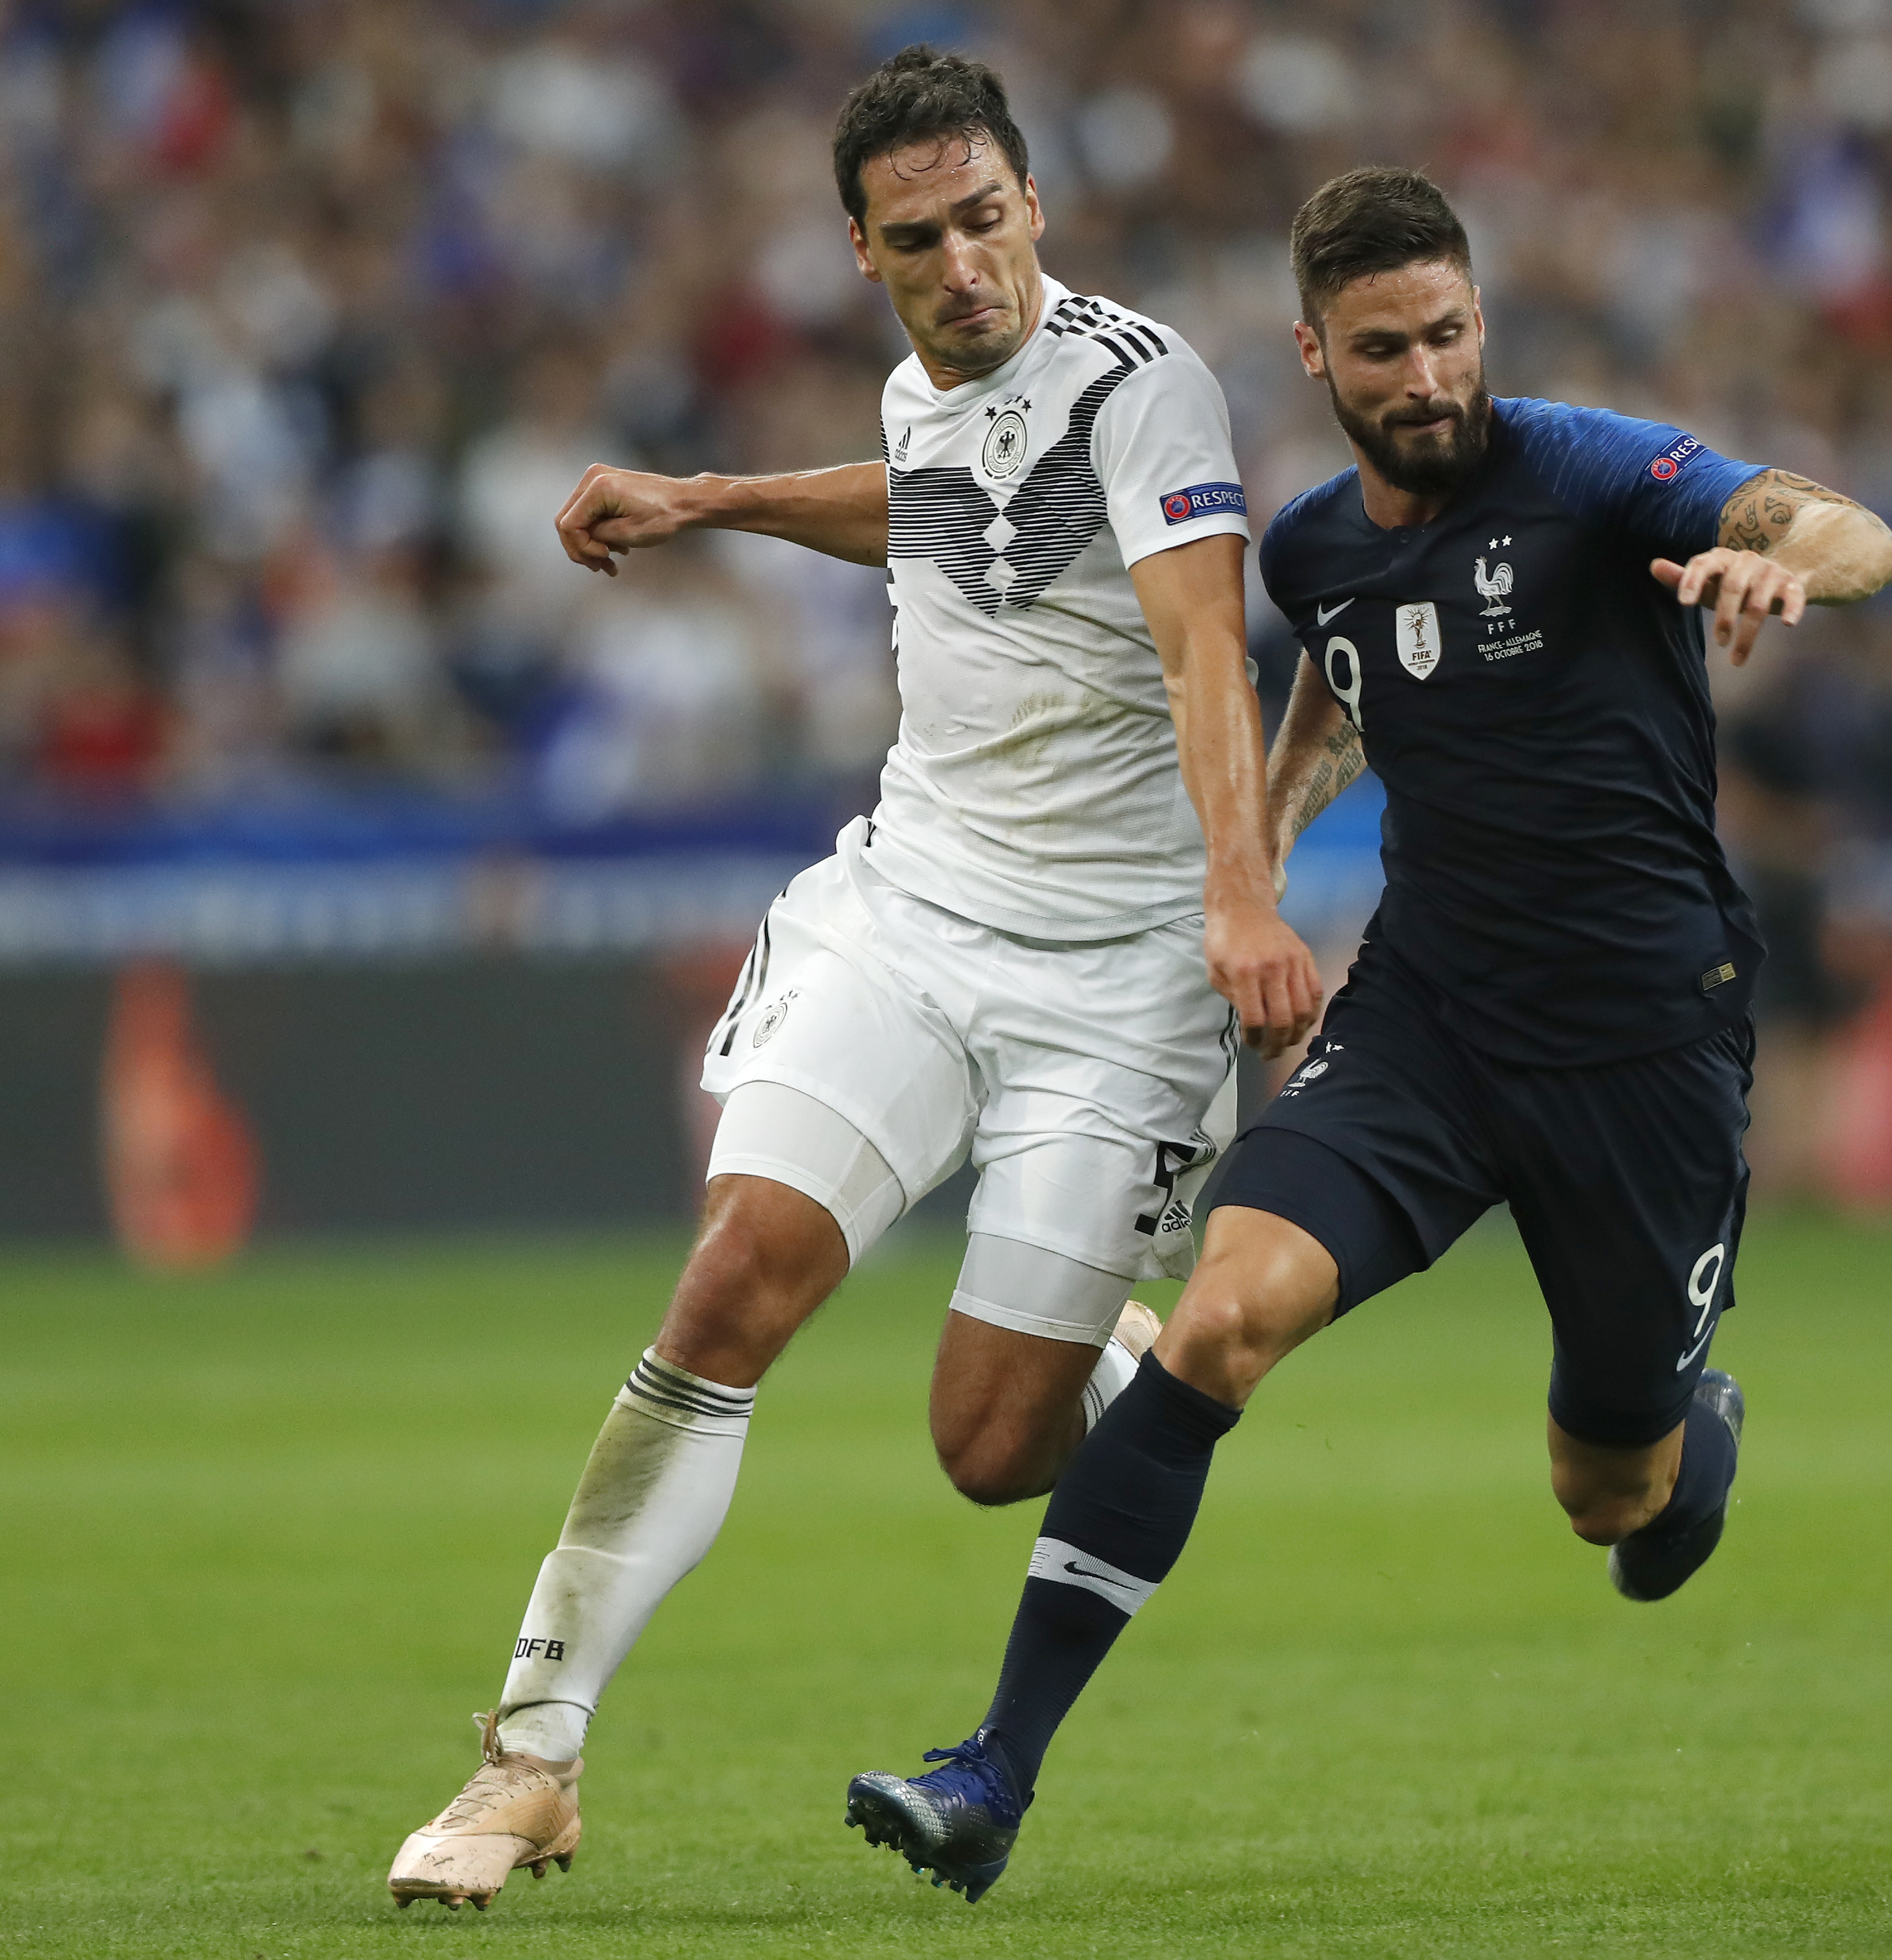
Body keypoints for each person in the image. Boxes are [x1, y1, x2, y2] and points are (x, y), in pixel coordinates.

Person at [843, 166, 1892, 1903]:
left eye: (1447, 336)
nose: (1425, 376)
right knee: (1218, 1323)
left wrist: (1777, 561)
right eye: (1382, 348)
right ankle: (992, 1773)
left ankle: (1683, 1437)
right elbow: (1347, 683)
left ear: (1481, 325)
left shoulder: (1587, 470)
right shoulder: (1319, 546)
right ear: (1314, 354)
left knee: (1607, 1492)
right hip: (1428, 1020)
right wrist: (1245, 868)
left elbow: (1845, 526)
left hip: (1645, 1044)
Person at [387, 48, 1320, 1911]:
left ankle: (1108, 1361)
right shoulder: (921, 391)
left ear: (1037, 205)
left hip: (1123, 969)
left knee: (989, 1448)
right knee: (734, 1273)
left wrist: (1239, 897)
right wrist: (711, 499)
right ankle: (528, 1760)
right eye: (922, 239)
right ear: (862, 251)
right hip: (912, 909)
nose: (965, 263)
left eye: (989, 220)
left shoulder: (1144, 391)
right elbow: (928, 500)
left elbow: (1210, 648)